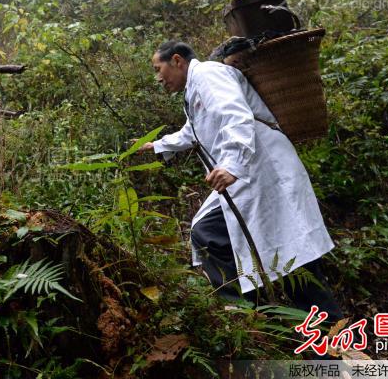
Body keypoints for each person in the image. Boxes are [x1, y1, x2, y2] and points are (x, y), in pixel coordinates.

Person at [138, 40, 343, 321]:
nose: (157, 77)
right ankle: (249, 313)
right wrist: (158, 145)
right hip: (249, 175)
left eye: (157, 68)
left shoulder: (209, 75)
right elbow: (193, 132)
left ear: (176, 60)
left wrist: (232, 165)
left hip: (263, 170)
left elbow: (236, 115)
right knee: (212, 233)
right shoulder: (196, 88)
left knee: (294, 255)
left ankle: (324, 333)